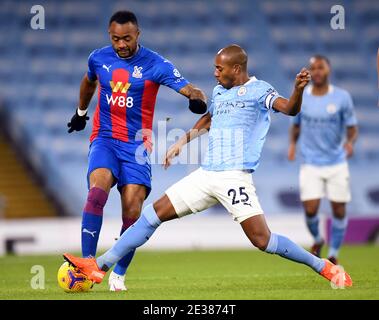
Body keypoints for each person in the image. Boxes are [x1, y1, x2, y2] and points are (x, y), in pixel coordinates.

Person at [64, 45, 352, 288]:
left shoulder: (259, 90)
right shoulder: (219, 92)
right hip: (205, 175)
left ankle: (323, 266)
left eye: (219, 69)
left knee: (262, 240)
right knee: (151, 216)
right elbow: (209, 119)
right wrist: (182, 142)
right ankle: (98, 266)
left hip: (234, 178)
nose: (215, 73)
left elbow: (289, 109)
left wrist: (298, 90)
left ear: (236, 69)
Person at [66, 10, 207, 291]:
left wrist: (196, 99)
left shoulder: (155, 64)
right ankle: (87, 264)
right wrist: (81, 112)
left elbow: (191, 88)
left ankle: (117, 274)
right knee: (97, 191)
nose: (121, 45)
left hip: (136, 145)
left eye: (127, 39)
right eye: (116, 39)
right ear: (110, 35)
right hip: (104, 138)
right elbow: (89, 80)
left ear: (138, 35)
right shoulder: (98, 58)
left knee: (132, 211)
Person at [288, 55, 358, 265]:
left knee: (339, 209)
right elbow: (296, 125)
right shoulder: (304, 97)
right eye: (313, 68)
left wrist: (350, 142)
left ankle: (334, 253)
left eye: (321, 67)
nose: (317, 71)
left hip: (336, 162)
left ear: (328, 70)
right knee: (310, 209)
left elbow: (352, 128)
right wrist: (292, 144)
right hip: (310, 163)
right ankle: (318, 239)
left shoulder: (342, 97)